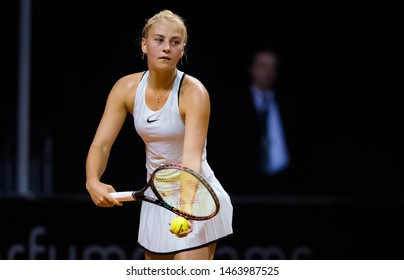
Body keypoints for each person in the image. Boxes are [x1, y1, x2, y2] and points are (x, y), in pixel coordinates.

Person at [85, 9, 233, 260]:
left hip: (196, 197)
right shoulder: (125, 88)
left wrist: (186, 210)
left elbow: (192, 159)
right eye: (159, 40)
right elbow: (101, 145)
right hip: (155, 198)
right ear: (144, 45)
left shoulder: (194, 93)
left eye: (175, 42)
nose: (166, 48)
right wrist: (92, 180)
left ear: (182, 50)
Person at [220, 48, 299, 195]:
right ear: (252, 69)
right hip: (243, 183)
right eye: (263, 66)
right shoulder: (233, 103)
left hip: (282, 182)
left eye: (272, 67)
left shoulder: (288, 103)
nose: (268, 72)